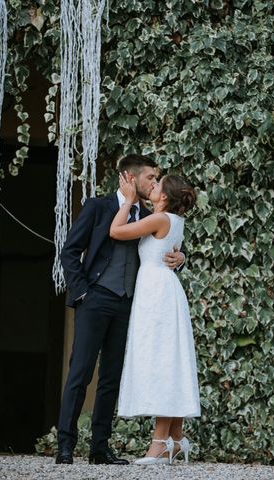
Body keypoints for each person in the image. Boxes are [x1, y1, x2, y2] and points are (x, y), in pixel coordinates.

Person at [55, 154, 186, 465]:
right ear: (129, 177)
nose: (155, 183)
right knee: (81, 372)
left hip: (129, 304)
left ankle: (100, 448)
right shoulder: (99, 207)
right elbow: (70, 251)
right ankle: (65, 446)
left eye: (157, 179)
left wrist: (181, 260)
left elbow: (169, 246)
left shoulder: (152, 213)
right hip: (95, 298)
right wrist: (83, 292)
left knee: (111, 377)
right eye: (150, 178)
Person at [110, 172, 200, 465]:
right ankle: (174, 439)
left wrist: (128, 202)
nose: (153, 185)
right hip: (162, 289)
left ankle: (160, 443)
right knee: (168, 360)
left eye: (158, 184)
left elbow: (117, 231)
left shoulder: (159, 219)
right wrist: (182, 258)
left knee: (162, 362)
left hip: (157, 294)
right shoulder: (169, 220)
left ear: (164, 197)